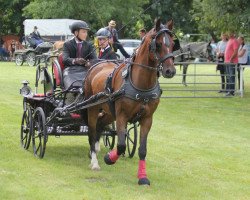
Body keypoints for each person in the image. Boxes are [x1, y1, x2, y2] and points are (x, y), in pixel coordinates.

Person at [62, 20, 97, 91]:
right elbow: (65, 60)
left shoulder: (89, 45)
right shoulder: (67, 44)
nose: (86, 34)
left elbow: (95, 59)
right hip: (70, 71)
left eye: (86, 32)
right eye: (83, 32)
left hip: (85, 70)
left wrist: (89, 63)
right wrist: (75, 60)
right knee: (73, 85)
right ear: (76, 33)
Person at [224, 31, 239, 96]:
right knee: (228, 77)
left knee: (231, 77)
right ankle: (229, 91)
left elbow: (235, 51)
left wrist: (230, 59)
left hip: (232, 62)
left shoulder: (235, 41)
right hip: (227, 62)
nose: (229, 34)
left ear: (233, 34)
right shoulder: (229, 40)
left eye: (230, 33)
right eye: (228, 33)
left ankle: (231, 92)